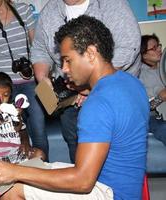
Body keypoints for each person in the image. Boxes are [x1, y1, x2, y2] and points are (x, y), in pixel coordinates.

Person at [0, 15, 149, 200]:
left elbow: (82, 181)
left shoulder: (97, 104)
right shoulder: (131, 82)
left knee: (13, 189)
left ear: (91, 53)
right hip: (128, 188)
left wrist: (16, 172)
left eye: (68, 60)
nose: (64, 69)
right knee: (36, 167)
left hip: (109, 193)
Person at [31, 0, 142, 163]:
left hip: (112, 91)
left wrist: (92, 84)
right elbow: (40, 48)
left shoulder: (112, 4)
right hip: (71, 90)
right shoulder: (50, 12)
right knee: (76, 142)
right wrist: (43, 79)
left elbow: (128, 47)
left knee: (112, 149)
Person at [0, 0, 48, 158]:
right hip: (2, 85)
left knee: (38, 123)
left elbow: (36, 44)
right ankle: (15, 165)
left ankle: (43, 167)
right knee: (9, 127)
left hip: (29, 79)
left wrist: (42, 75)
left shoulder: (23, 10)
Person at [0, 72, 45, 162]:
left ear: (10, 95)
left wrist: (17, 116)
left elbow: (18, 129)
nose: (0, 99)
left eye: (5, 95)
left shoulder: (13, 110)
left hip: (16, 154)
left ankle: (23, 170)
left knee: (39, 154)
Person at [139, 34, 166, 146]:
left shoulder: (163, 65)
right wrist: (160, 97)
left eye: (158, 46)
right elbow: (147, 107)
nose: (159, 49)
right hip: (152, 116)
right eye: (154, 48)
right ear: (144, 55)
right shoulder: (140, 75)